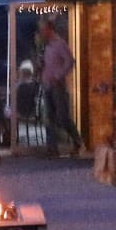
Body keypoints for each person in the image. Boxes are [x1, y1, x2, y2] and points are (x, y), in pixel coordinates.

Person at [38, 18, 84, 157]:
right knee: (49, 117)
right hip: (47, 83)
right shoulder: (47, 46)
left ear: (49, 29)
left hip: (57, 85)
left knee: (62, 116)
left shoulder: (59, 44)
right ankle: (52, 149)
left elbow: (70, 61)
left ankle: (77, 141)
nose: (41, 32)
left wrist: (58, 75)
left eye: (43, 29)